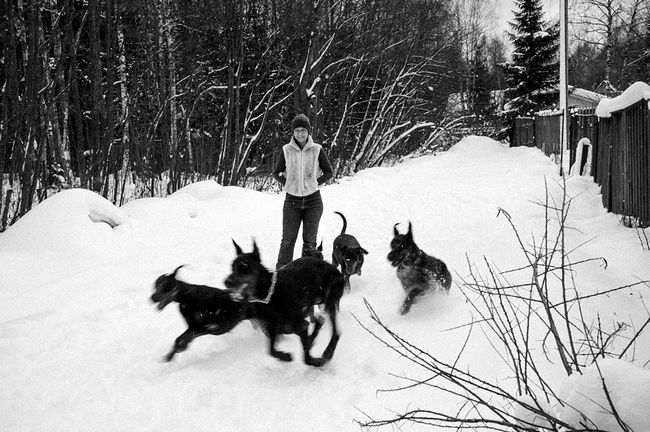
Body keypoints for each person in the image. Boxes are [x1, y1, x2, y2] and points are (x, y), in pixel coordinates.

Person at [273, 113, 333, 269]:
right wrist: (288, 183)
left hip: (313, 202)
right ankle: (282, 273)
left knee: (310, 242)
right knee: (287, 240)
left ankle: (307, 273)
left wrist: (314, 183)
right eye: (297, 130)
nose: (300, 133)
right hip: (291, 202)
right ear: (293, 132)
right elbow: (276, 172)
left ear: (308, 132)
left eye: (303, 130)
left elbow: (329, 172)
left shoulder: (317, 149)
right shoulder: (286, 150)